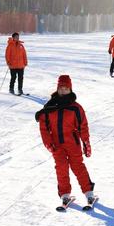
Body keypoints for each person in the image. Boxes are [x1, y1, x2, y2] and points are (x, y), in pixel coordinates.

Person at [35, 75, 96, 207]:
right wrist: (48, 144)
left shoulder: (75, 107)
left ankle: (88, 193)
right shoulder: (50, 107)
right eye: (61, 88)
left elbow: (83, 126)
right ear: (57, 89)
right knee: (61, 168)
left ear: (70, 89)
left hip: (72, 143)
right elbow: (44, 128)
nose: (63, 91)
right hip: (56, 145)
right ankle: (65, 195)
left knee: (78, 167)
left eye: (66, 88)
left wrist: (86, 143)